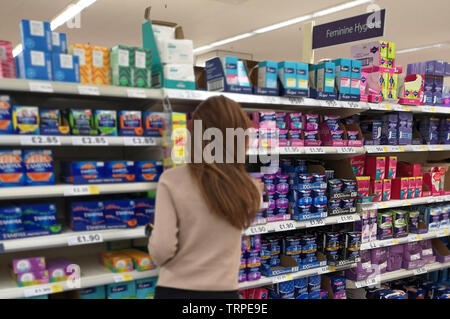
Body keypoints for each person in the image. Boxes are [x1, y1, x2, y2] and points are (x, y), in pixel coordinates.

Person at [148, 95, 263, 299]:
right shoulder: (250, 189)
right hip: (224, 293)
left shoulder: (171, 180)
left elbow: (162, 250)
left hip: (175, 291)